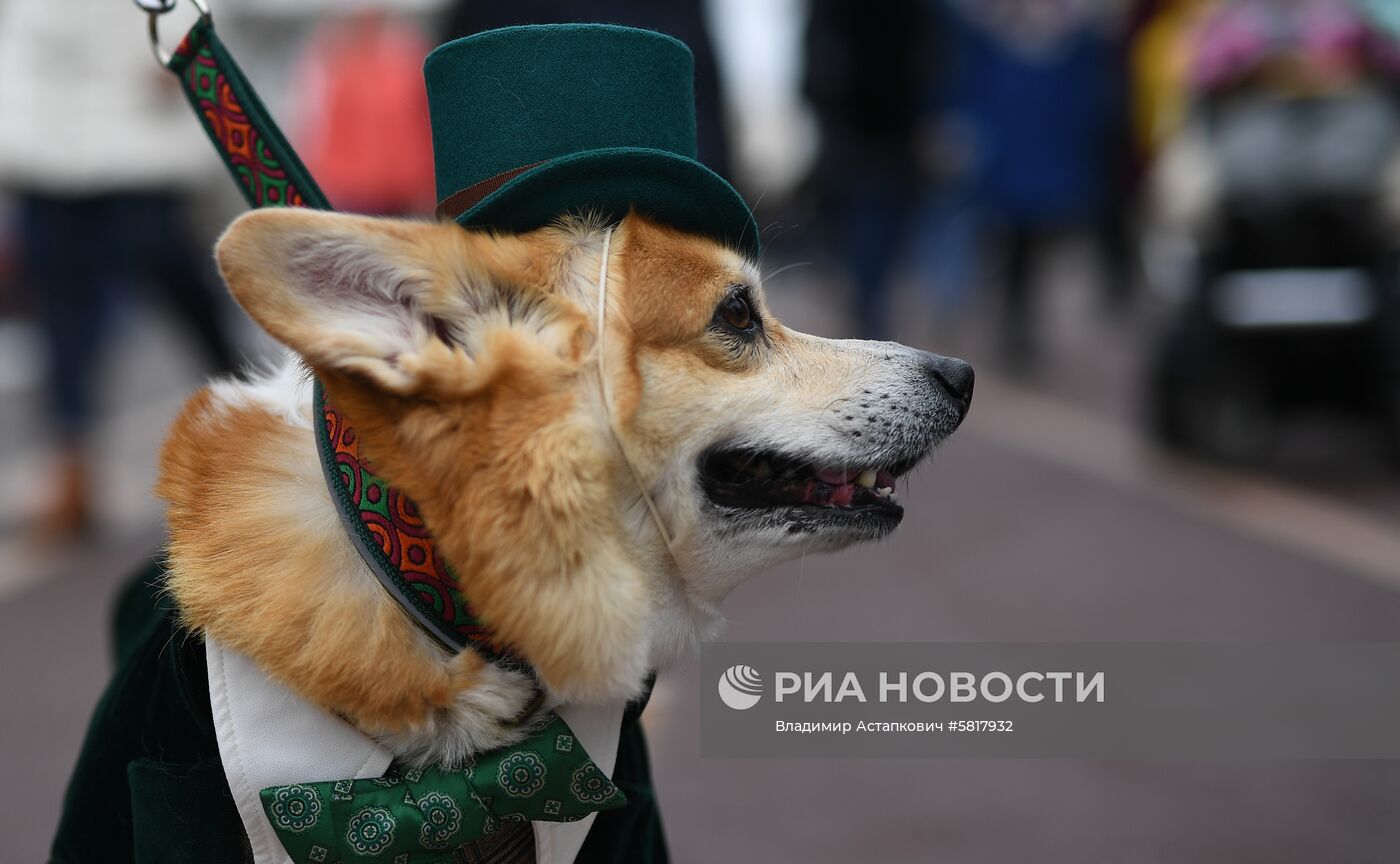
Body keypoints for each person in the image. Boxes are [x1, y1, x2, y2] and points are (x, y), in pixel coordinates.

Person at [0, 0, 238, 538]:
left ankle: (252, 413)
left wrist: (180, 44)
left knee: (183, 291)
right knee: (64, 316)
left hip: (135, 140)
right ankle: (73, 461)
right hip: (46, 139)